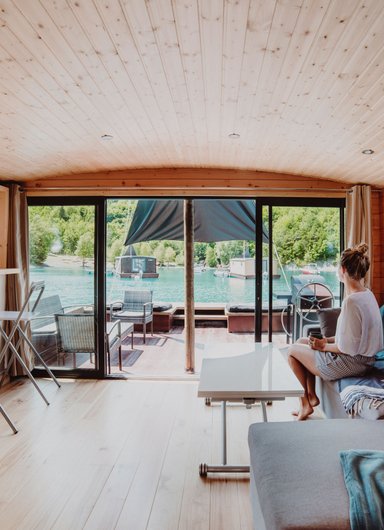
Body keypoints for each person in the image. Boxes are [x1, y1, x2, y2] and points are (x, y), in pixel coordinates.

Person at [288, 243, 383, 420]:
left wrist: (323, 346)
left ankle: (305, 404)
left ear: (343, 269)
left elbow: (347, 348)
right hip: (366, 360)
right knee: (302, 342)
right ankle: (312, 397)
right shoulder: (367, 295)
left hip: (353, 363)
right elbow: (354, 337)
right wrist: (325, 340)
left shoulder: (352, 302)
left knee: (292, 351)